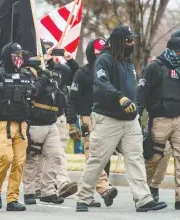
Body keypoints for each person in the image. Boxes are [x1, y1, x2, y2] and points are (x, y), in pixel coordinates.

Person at [75, 24, 167, 212]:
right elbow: (102, 83)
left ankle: (143, 199)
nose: (132, 43)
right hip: (107, 119)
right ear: (119, 41)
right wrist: (120, 97)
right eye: (128, 40)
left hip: (130, 121)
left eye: (132, 40)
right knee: (97, 159)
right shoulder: (104, 59)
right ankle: (83, 198)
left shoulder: (128, 63)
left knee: (136, 158)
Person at [0, 42, 48, 211]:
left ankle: (12, 199)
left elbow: (35, 92)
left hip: (22, 125)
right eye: (15, 55)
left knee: (19, 162)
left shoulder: (26, 74)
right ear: (7, 56)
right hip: (4, 124)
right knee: (7, 157)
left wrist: (43, 79)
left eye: (20, 55)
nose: (19, 58)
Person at [137, 36, 180, 210]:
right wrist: (138, 115)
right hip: (160, 118)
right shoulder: (154, 67)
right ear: (170, 50)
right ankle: (143, 194)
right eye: (178, 52)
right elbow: (142, 92)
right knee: (154, 157)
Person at [68, 38, 118, 208]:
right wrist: (72, 124)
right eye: (97, 55)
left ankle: (86, 194)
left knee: (105, 156)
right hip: (88, 118)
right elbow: (71, 100)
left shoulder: (110, 72)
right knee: (93, 155)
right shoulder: (82, 73)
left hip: (108, 117)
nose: (99, 58)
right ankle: (105, 188)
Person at [34, 41, 79, 199]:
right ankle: (40, 186)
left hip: (58, 116)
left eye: (51, 50)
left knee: (57, 153)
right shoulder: (34, 69)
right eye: (45, 50)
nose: (49, 53)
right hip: (39, 117)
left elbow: (77, 75)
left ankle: (62, 183)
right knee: (39, 155)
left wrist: (70, 59)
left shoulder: (61, 69)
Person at [22, 56, 64, 205]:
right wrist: (43, 77)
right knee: (31, 159)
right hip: (35, 123)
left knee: (56, 156)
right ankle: (29, 192)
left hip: (51, 123)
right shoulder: (27, 73)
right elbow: (31, 92)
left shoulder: (49, 72)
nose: (45, 57)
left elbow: (65, 79)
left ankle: (48, 191)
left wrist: (56, 67)